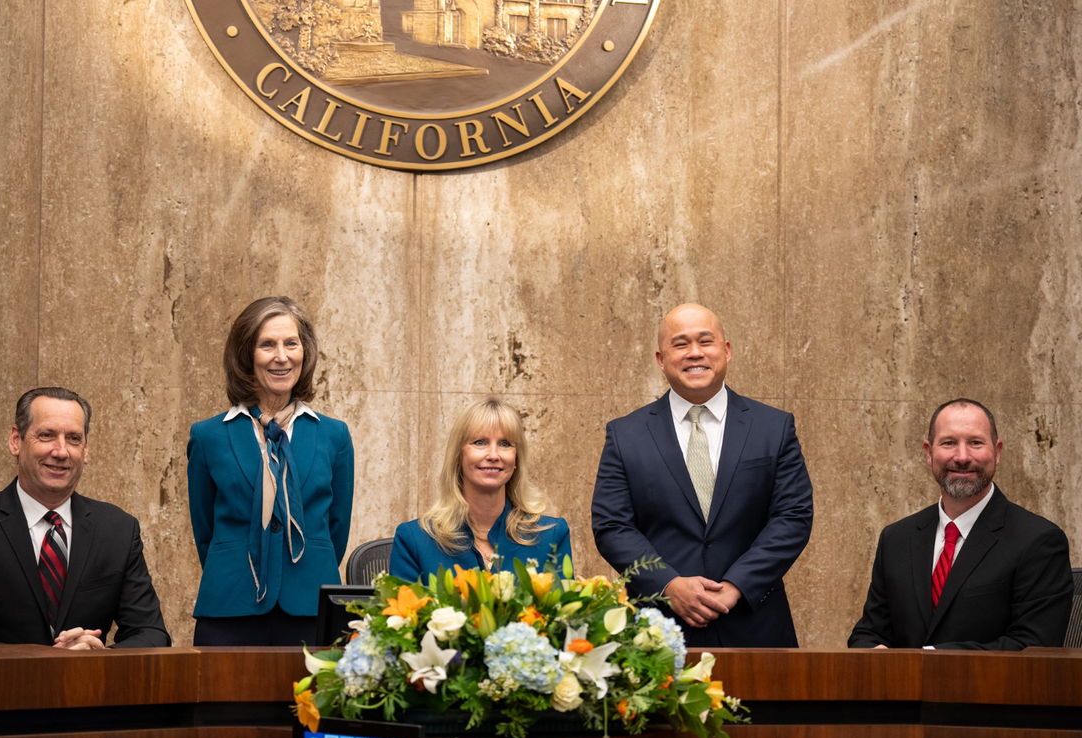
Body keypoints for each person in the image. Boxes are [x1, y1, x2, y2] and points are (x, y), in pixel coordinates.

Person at [591, 303, 813, 647]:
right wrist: (668, 585)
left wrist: (737, 585)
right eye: (680, 344)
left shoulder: (773, 427)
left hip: (755, 625)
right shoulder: (625, 434)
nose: (695, 353)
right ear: (661, 359)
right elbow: (612, 525)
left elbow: (793, 516)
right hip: (658, 632)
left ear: (726, 350)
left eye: (705, 341)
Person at [0, 387, 170, 652]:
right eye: (47, 435)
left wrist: (102, 657)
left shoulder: (118, 529)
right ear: (15, 441)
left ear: (86, 450)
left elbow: (151, 633)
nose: (61, 451)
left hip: (88, 688)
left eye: (74, 438)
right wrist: (42, 660)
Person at [188, 296, 354, 646]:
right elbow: (204, 529)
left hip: (311, 607)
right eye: (267, 345)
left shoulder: (334, 435)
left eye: (290, 344)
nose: (281, 356)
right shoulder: (208, 436)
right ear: (246, 354)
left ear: (304, 352)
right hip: (231, 608)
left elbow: (337, 527)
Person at [848, 399, 1072, 650]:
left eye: (975, 443)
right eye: (949, 443)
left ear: (997, 452)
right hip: (901, 688)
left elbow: (1034, 646)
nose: (962, 457)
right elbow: (868, 632)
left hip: (991, 689)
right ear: (928, 453)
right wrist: (873, 653)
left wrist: (925, 660)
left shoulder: (1038, 540)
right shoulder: (897, 538)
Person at [389, 397, 571, 582]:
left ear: (517, 458)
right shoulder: (414, 539)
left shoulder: (551, 536)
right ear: (458, 456)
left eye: (505, 444)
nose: (493, 455)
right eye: (479, 442)